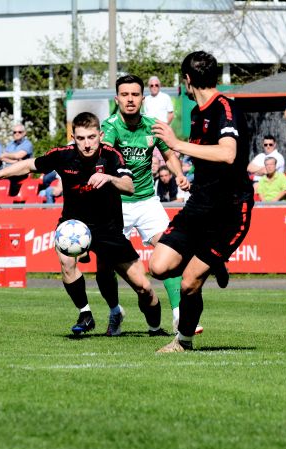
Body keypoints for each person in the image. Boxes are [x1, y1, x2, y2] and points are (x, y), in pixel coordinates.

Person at [0, 112, 166, 337]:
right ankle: (85, 314)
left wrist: (109, 179)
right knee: (66, 261)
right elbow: (27, 165)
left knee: (143, 287)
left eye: (92, 137)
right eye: (81, 138)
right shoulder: (62, 156)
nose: (87, 144)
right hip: (74, 225)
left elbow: (129, 186)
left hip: (108, 228)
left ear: (100, 135)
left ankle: (153, 328)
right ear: (73, 137)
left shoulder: (111, 156)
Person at [149, 51, 253, 353]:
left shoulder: (225, 108)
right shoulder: (197, 113)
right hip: (199, 204)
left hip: (230, 209)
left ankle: (183, 341)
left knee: (190, 282)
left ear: (188, 80)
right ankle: (214, 260)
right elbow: (196, 151)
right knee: (158, 266)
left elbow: (228, 153)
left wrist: (176, 143)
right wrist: (177, 163)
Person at [102, 74, 191, 335]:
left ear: (143, 98)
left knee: (171, 252)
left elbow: (169, 154)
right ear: (117, 98)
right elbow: (104, 155)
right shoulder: (110, 128)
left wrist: (179, 174)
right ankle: (115, 311)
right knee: (104, 265)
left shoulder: (154, 125)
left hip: (147, 201)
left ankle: (179, 316)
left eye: (135, 94)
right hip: (115, 204)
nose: (130, 100)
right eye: (125, 95)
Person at [0, 123, 33, 195]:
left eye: (19, 132)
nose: (17, 134)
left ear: (24, 133)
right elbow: (2, 157)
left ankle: (13, 201)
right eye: (14, 132)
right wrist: (16, 161)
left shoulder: (27, 144)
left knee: (9, 178)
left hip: (23, 171)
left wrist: (7, 155)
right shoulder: (10, 144)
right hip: (9, 169)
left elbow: (18, 156)